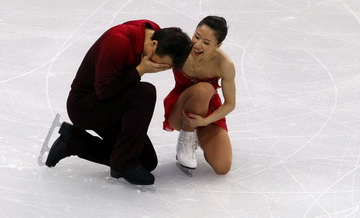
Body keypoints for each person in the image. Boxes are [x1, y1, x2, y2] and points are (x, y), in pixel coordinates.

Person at [43, 19, 192, 186]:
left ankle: (73, 142)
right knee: (145, 93)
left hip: (116, 104)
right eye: (161, 63)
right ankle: (124, 163)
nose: (159, 67)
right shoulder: (117, 41)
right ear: (154, 44)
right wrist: (140, 70)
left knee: (147, 162)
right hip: (86, 107)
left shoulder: (155, 35)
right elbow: (104, 92)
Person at [163, 16, 236, 175]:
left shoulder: (224, 64)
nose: (197, 44)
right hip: (180, 110)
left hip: (208, 112)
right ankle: (187, 138)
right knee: (204, 89)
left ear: (218, 45)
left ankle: (196, 133)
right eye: (197, 36)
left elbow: (230, 103)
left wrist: (205, 121)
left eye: (206, 42)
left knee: (222, 167)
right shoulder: (181, 48)